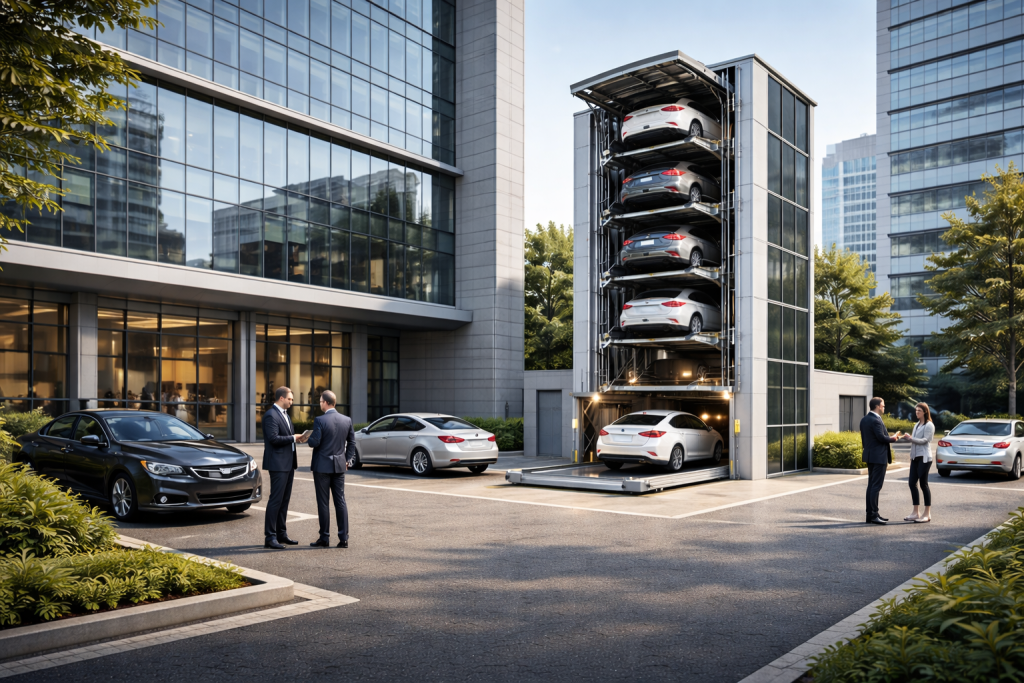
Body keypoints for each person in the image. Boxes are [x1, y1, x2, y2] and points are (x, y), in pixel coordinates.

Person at [306, 390, 356, 549]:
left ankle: (324, 538)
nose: (320, 404)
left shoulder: (319, 420)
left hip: (322, 466)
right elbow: (352, 442)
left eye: (321, 401)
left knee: (323, 503)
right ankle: (344, 538)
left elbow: (314, 442)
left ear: (326, 403)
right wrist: (347, 459)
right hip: (340, 466)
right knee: (340, 501)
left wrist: (308, 438)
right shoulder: (347, 420)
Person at [262, 386, 308, 550]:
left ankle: (281, 534)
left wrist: (298, 439)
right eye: (289, 399)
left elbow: (286, 438)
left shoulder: (285, 415)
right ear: (281, 398)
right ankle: (270, 537)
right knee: (275, 500)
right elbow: (273, 439)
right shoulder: (271, 415)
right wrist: (293, 438)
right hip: (278, 464)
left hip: (288, 463)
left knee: (284, 500)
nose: (291, 402)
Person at [859, 396, 902, 525]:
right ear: (877, 406)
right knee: (876, 486)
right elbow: (881, 438)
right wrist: (894, 438)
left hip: (870, 455)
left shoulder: (864, 419)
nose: (884, 407)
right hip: (878, 457)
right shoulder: (876, 420)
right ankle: (873, 515)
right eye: (883, 405)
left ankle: (871, 514)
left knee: (871, 485)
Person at [900, 402, 934, 523]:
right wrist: (909, 437)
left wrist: (911, 439)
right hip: (915, 458)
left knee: (923, 484)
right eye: (916, 410)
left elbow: (925, 440)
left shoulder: (929, 425)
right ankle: (915, 512)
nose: (917, 412)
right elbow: (915, 440)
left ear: (925, 412)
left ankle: (927, 514)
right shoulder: (917, 425)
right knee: (911, 483)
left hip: (924, 458)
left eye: (919, 410)